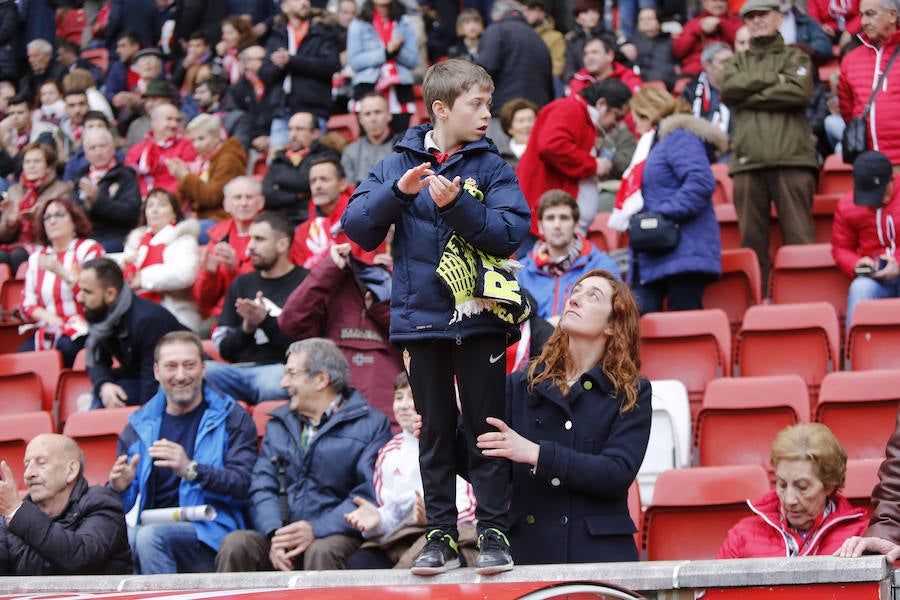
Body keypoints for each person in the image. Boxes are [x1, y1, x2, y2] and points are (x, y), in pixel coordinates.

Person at [342, 58, 531, 576]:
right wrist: (398, 192)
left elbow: (512, 232)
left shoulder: (492, 165)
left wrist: (456, 208)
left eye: (489, 105)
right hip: (418, 321)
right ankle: (441, 536)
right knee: (433, 431)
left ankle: (493, 530)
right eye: (476, 105)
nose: (487, 115)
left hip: (480, 318)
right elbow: (355, 227)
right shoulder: (396, 160)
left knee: (486, 427)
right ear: (441, 109)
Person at [475, 269, 652, 564]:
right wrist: (442, 431)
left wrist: (537, 454)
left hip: (599, 559)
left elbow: (616, 473)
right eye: (576, 292)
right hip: (530, 553)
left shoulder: (632, 391)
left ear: (612, 325)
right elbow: (487, 462)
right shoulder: (521, 383)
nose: (576, 300)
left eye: (592, 295)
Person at [215, 337, 392, 572]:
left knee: (323, 550)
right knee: (237, 544)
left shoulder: (373, 424)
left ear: (320, 379)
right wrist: (277, 533)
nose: (283, 383)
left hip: (336, 535)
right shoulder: (279, 423)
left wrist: (315, 529)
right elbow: (262, 485)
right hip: (280, 535)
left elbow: (366, 493)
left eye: (291, 373)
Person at [109, 331, 257, 574]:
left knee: (147, 537)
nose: (181, 375)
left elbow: (244, 485)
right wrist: (119, 488)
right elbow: (118, 508)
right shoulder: (139, 425)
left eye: (189, 365)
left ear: (203, 369)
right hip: (151, 526)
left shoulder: (232, 417)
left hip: (211, 530)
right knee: (114, 540)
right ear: (157, 371)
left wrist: (191, 470)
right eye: (171, 367)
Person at [720, 0, 818, 284]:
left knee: (800, 239)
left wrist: (748, 94)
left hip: (793, 160)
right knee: (751, 244)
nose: (757, 20)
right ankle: (757, 305)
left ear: (778, 18)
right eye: (750, 16)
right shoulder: (734, 61)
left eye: (763, 14)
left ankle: (804, 300)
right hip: (748, 164)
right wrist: (773, 80)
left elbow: (799, 93)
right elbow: (728, 89)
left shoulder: (796, 57)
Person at [344, 371, 477, 569]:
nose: (405, 405)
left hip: (458, 533)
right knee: (360, 562)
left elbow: (470, 510)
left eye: (412, 396)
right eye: (399, 397)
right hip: (405, 533)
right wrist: (378, 519)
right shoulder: (389, 451)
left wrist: (431, 516)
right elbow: (392, 512)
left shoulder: (455, 443)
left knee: (416, 560)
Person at [280, 242, 400, 430]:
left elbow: (421, 336)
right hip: (334, 419)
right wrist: (329, 268)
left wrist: (383, 302)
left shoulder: (400, 280)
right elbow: (291, 321)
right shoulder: (333, 283)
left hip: (389, 416)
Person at [626, 87, 726, 314]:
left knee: (684, 326)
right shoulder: (654, 145)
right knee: (641, 327)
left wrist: (661, 216)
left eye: (637, 121)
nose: (636, 128)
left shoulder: (678, 137)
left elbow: (700, 182)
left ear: (647, 114)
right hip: (657, 251)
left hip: (682, 250)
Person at [718, 423, 868, 558]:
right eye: (782, 485)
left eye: (802, 487)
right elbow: (710, 588)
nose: (789, 500)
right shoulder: (743, 534)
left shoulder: (860, 537)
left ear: (829, 485)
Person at [206, 211, 309, 405]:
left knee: (274, 383)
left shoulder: (306, 283)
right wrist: (247, 329)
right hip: (237, 372)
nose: (250, 247)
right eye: (250, 238)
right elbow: (224, 349)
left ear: (282, 244)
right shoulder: (241, 284)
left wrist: (266, 322)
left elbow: (309, 348)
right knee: (198, 373)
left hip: (280, 369)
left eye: (259, 239)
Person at [517, 79, 634, 248]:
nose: (616, 125)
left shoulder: (582, 116)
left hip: (558, 230)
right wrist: (593, 164)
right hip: (541, 227)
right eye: (617, 116)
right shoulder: (569, 108)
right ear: (601, 104)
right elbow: (551, 145)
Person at [0, 433, 132, 575]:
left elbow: (81, 557)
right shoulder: (16, 516)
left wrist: (17, 512)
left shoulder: (102, 503)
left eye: (41, 463)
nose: (28, 474)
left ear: (71, 470)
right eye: (27, 464)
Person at [76, 257, 187, 410]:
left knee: (96, 403)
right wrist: (104, 384)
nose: (79, 297)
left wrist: (145, 425)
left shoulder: (147, 320)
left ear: (110, 294)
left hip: (176, 385)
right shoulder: (104, 317)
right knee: (89, 398)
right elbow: (98, 361)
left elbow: (153, 383)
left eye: (87, 292)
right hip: (139, 377)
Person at [20, 199, 104, 368]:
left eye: (59, 214)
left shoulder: (89, 249)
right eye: (47, 217)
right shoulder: (36, 258)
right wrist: (56, 321)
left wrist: (61, 271)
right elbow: (27, 304)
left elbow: (95, 294)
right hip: (51, 327)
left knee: (65, 347)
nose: (52, 220)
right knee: (22, 353)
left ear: (74, 220)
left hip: (87, 327)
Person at [518, 190, 620, 323]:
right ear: (540, 227)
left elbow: (615, 317)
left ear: (576, 225)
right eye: (550, 218)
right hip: (537, 342)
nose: (557, 225)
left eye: (564, 218)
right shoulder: (522, 272)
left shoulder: (602, 267)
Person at [831, 150, 900, 329]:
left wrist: (898, 264)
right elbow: (841, 248)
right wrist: (857, 264)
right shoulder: (848, 206)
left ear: (891, 180)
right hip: (875, 278)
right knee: (860, 288)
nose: (872, 201)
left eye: (877, 194)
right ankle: (856, 352)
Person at [260, 0, 342, 148]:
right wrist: (280, 64)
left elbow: (331, 66)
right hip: (282, 111)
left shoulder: (323, 32)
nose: (305, 2)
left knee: (312, 162)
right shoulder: (277, 35)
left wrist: (292, 61)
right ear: (285, 7)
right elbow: (264, 74)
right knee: (278, 163)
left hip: (313, 110)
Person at [121, 188, 201, 331]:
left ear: (175, 212)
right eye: (150, 205)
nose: (155, 210)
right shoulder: (135, 242)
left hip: (173, 311)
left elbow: (185, 275)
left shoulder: (184, 239)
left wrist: (143, 279)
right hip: (133, 310)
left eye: (162, 205)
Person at [478, 0, 554, 147]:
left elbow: (484, 71)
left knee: (500, 163)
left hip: (503, 115)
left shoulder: (496, 30)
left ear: (496, 15)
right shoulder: (538, 38)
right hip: (534, 117)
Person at [192, 176, 263, 325]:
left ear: (261, 202)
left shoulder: (272, 234)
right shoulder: (217, 237)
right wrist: (210, 274)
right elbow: (203, 302)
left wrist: (234, 269)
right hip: (223, 312)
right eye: (237, 197)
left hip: (259, 311)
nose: (244, 203)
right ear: (226, 205)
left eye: (249, 197)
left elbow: (270, 284)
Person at [838, 0, 900, 166]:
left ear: (892, 15)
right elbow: (847, 110)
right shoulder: (850, 59)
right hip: (868, 165)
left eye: (871, 14)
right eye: (862, 15)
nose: (864, 22)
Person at [346, 0, 420, 134]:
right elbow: (355, 62)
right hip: (368, 87)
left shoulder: (405, 21)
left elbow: (413, 61)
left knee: (401, 143)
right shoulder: (358, 23)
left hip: (399, 90)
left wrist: (396, 51)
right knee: (370, 142)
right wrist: (385, 52)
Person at [262, 111, 341, 226]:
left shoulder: (326, 155)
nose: (293, 135)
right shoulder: (279, 158)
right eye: (290, 129)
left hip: (313, 219)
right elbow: (267, 195)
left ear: (315, 133)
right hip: (281, 222)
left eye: (299, 129)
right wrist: (296, 196)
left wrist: (281, 184)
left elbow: (305, 182)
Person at [167, 113, 248, 226]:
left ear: (216, 137)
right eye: (193, 140)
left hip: (221, 218)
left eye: (201, 138)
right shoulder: (201, 161)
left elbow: (211, 197)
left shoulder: (229, 159)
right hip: (200, 218)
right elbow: (182, 199)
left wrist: (185, 177)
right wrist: (181, 178)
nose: (196, 145)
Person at [0, 141, 69, 272]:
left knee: (18, 254)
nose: (31, 166)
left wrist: (36, 219)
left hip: (45, 245)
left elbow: (63, 228)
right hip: (16, 245)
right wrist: (10, 223)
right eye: (27, 162)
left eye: (37, 161)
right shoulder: (14, 191)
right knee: (2, 255)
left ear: (48, 167)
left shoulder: (61, 190)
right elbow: (3, 236)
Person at [73, 127, 142, 253]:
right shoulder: (80, 178)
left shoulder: (125, 176)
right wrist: (88, 207)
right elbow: (72, 215)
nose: (98, 152)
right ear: (86, 154)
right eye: (93, 148)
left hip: (116, 238)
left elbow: (130, 214)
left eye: (103, 146)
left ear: (112, 148)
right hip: (85, 239)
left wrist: (98, 200)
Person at [125, 103, 198, 197]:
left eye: (177, 120)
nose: (174, 124)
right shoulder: (136, 150)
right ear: (154, 122)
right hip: (140, 203)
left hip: (172, 202)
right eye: (169, 119)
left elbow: (184, 181)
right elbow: (129, 180)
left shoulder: (187, 146)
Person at [342, 92, 401, 186]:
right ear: (360, 119)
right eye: (367, 114)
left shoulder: (402, 148)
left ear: (389, 115)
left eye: (378, 112)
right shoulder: (350, 152)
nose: (373, 119)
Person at [673, 0, 744, 76]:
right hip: (695, 74)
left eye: (722, 0)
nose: (718, 3)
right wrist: (699, 27)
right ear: (704, 3)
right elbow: (679, 51)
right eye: (713, 0)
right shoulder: (692, 24)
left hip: (728, 72)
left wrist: (721, 24)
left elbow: (742, 44)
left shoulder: (736, 23)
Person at [680, 42, 735, 140]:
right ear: (708, 65)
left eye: (733, 62)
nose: (731, 67)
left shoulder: (741, 90)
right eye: (724, 62)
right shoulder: (691, 91)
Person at [622, 7, 680, 91]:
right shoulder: (629, 43)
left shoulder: (671, 41)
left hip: (666, 84)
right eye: (641, 19)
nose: (645, 22)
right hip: (638, 86)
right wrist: (622, 50)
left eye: (649, 19)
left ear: (659, 22)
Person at [569, 34, 643, 98]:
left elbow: (637, 107)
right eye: (585, 54)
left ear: (609, 55)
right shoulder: (579, 80)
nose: (589, 57)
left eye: (595, 52)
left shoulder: (628, 77)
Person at [192, 76, 251, 150]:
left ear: (215, 96)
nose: (196, 97)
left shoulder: (237, 117)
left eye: (202, 92)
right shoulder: (198, 120)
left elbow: (239, 147)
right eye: (196, 93)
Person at [496, 98, 539, 170]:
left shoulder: (545, 154)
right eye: (521, 121)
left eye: (531, 120)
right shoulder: (499, 157)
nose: (527, 125)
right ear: (509, 128)